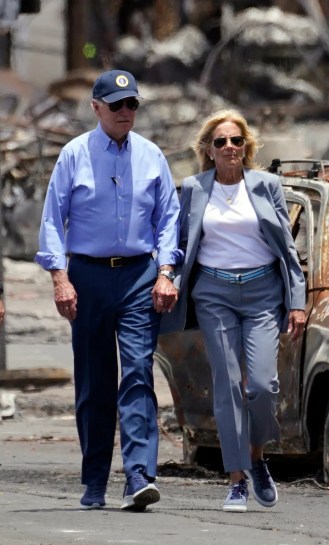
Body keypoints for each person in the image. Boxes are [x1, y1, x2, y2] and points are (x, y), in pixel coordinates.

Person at [35, 69, 180, 511]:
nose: (125, 113)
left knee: (137, 373)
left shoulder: (153, 156)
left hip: (139, 276)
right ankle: (95, 478)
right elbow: (51, 221)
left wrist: (166, 271)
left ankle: (139, 475)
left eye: (132, 104)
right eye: (116, 105)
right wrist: (60, 278)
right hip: (89, 277)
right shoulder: (74, 155)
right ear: (96, 108)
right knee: (95, 381)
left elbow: (169, 218)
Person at [161, 109, 306, 513]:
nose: (229, 148)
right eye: (220, 141)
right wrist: (166, 275)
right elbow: (177, 241)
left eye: (236, 141)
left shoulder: (267, 186)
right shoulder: (193, 188)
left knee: (261, 386)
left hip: (262, 293)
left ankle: (257, 457)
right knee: (226, 386)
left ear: (247, 147)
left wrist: (297, 301)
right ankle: (237, 479)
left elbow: (287, 250)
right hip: (214, 293)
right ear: (207, 149)